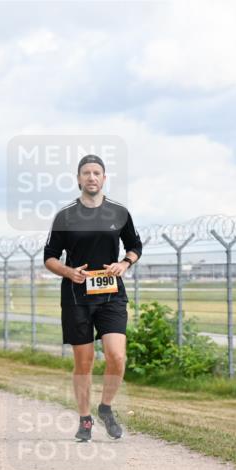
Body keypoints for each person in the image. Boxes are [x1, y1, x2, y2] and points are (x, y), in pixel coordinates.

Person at [43, 154, 143, 442]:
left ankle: (106, 408)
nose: (91, 177)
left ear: (104, 178)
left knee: (117, 355)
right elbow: (49, 257)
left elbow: (135, 245)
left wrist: (125, 263)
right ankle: (85, 418)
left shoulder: (119, 212)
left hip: (111, 292)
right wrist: (68, 271)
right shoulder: (66, 216)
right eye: (86, 173)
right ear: (78, 179)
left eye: (96, 172)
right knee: (84, 362)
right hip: (77, 295)